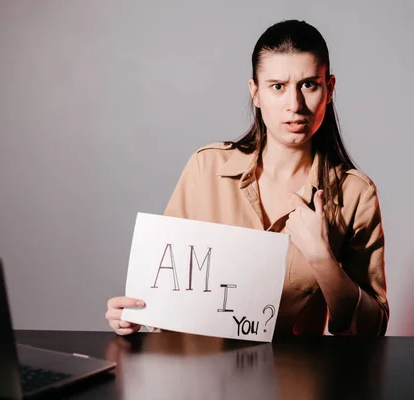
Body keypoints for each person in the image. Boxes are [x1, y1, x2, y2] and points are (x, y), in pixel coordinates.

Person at [106, 19, 389, 337]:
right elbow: (167, 291)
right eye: (277, 86)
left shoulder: (355, 195)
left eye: (308, 84)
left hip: (293, 381)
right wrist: (134, 313)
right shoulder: (206, 169)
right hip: (200, 379)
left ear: (330, 89)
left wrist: (321, 256)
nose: (294, 105)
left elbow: (372, 330)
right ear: (255, 93)